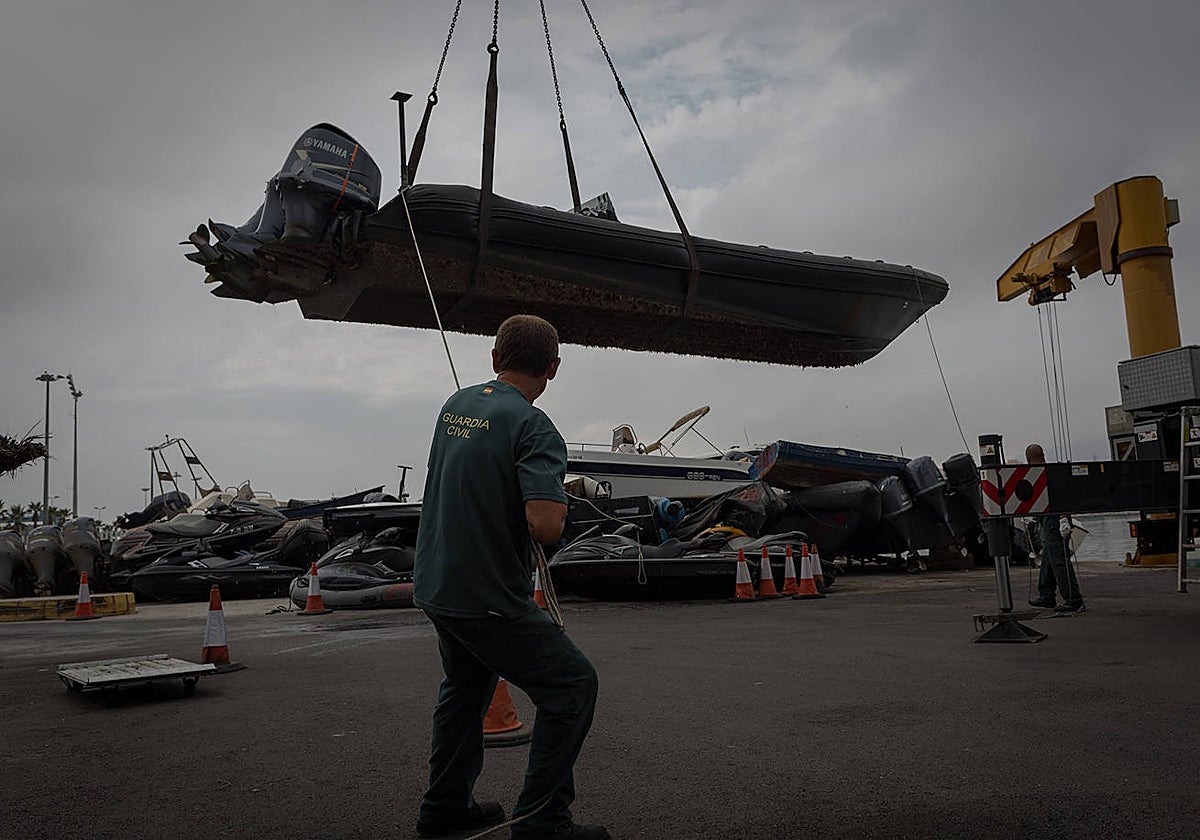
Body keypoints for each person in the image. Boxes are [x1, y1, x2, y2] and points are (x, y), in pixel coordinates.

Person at [413, 314, 608, 840]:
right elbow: (545, 526)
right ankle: (543, 822)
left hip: (436, 583)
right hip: (488, 596)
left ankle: (445, 808)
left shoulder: (454, 406)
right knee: (572, 686)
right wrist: (559, 502)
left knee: (465, 687)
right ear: (553, 367)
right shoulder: (535, 426)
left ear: (495, 359)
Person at [1025, 443, 1085, 613]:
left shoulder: (1040, 474)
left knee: (1059, 560)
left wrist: (1063, 519)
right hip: (1051, 519)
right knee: (1049, 558)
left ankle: (1073, 599)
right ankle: (1047, 595)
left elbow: (1059, 499)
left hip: (1055, 520)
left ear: (1028, 459)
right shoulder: (1048, 473)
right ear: (1042, 455)